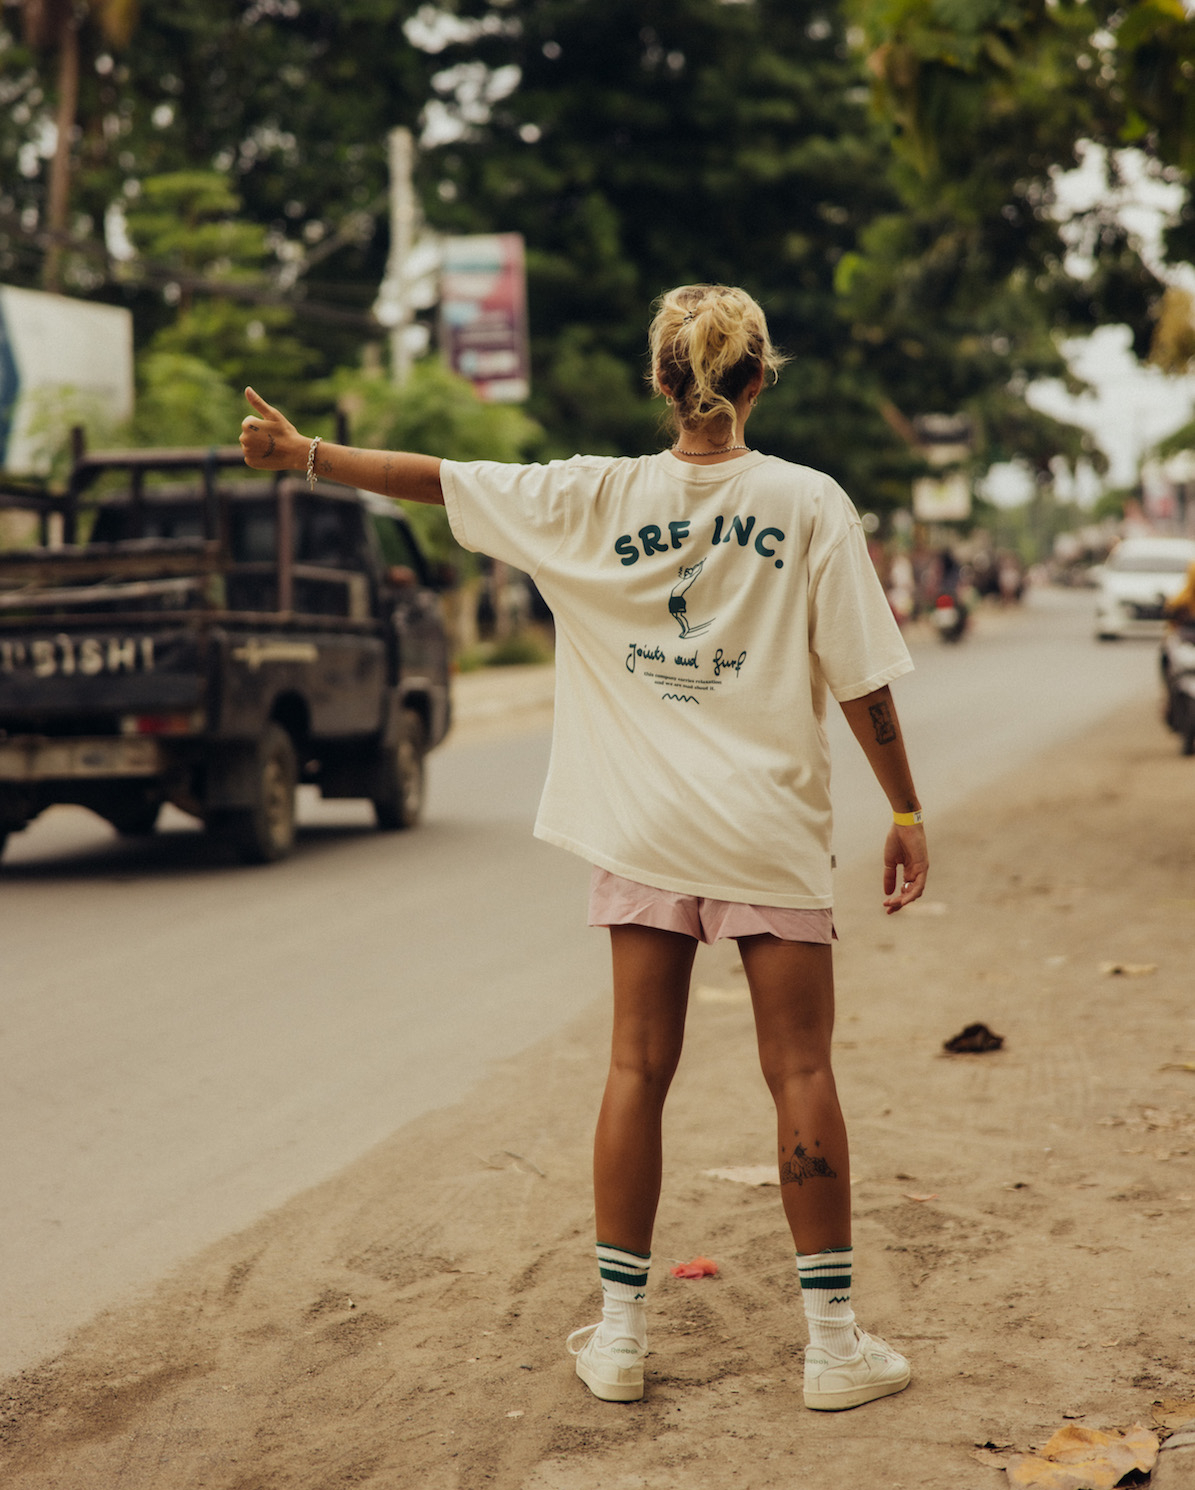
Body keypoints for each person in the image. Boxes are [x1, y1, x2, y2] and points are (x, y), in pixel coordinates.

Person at [239, 283, 929, 1413]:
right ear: (758, 378)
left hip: (644, 828)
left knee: (634, 1068)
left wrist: (303, 451)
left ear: (661, 383)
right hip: (768, 827)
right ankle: (831, 1346)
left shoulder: (588, 496)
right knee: (800, 1069)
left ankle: (616, 1337)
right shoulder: (811, 503)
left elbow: (432, 478)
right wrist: (902, 810)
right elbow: (861, 681)